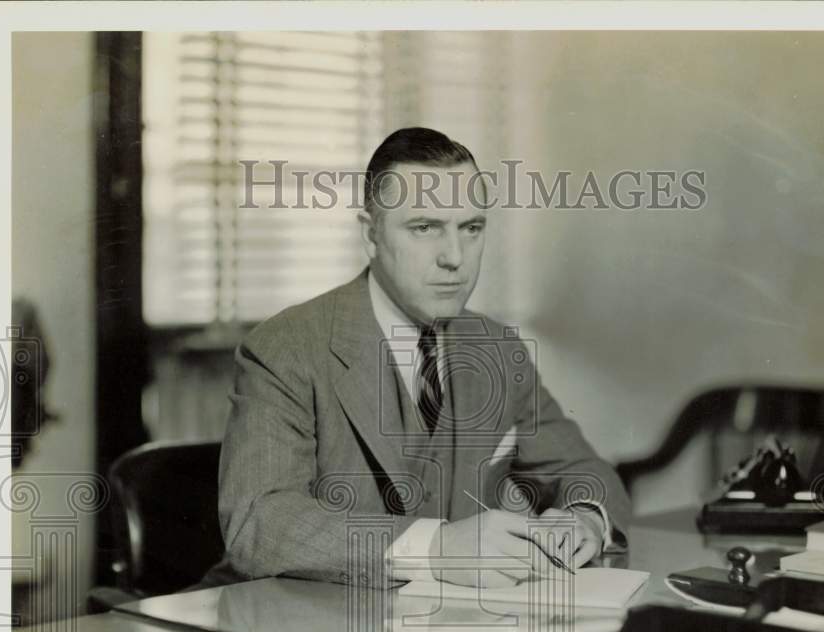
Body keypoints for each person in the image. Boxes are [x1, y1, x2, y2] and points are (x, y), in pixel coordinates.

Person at [212, 127, 629, 589]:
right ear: (370, 235)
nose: (454, 257)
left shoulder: (497, 347)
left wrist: (584, 520)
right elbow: (259, 522)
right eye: (425, 228)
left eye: (471, 228)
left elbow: (583, 472)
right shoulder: (287, 346)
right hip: (279, 625)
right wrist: (437, 547)